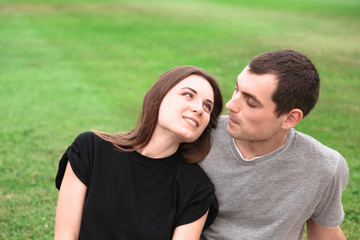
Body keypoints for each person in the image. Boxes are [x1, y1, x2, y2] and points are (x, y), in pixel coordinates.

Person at [54, 66, 223, 240]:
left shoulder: (197, 189)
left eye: (207, 106)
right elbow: (65, 235)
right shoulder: (90, 149)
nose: (199, 109)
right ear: (158, 97)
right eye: (188, 95)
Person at [199, 49, 349, 240]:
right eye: (237, 89)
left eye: (251, 103)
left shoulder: (325, 166)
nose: (231, 105)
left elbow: (325, 235)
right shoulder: (200, 136)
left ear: (290, 118)